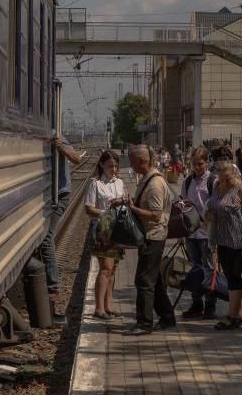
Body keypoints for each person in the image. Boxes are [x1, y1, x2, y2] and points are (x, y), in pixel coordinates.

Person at [121, 145, 175, 335]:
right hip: (149, 236)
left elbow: (156, 214)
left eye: (133, 161)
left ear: (142, 161)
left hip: (154, 237)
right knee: (155, 280)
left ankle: (144, 323)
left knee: (143, 280)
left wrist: (133, 209)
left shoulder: (154, 184)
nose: (131, 164)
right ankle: (167, 317)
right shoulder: (147, 178)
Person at [206, 159, 242, 330]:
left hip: (239, 240)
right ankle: (241, 315)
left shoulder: (241, 188)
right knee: (232, 277)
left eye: (228, 178)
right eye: (222, 178)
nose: (225, 181)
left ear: (233, 173)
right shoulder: (217, 186)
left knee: (234, 277)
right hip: (222, 240)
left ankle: (233, 316)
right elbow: (213, 205)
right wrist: (209, 215)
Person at [40, 135, 83, 321]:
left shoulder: (58, 136)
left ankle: (53, 289)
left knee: (47, 238)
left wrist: (62, 148)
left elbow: (76, 158)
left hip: (60, 195)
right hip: (46, 195)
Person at [84, 150, 127, 320]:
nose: (114, 169)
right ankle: (99, 308)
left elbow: (124, 202)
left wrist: (123, 204)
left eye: (116, 166)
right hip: (103, 229)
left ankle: (109, 305)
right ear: (102, 165)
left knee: (114, 268)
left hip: (119, 229)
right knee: (106, 268)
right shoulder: (95, 184)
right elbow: (88, 209)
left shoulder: (120, 183)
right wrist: (107, 213)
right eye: (110, 166)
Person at [181, 147, 218, 319]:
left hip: (207, 233)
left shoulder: (213, 181)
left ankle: (211, 305)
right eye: (194, 164)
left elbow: (218, 205)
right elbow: (183, 203)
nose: (197, 167)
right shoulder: (188, 181)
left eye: (200, 164)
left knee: (209, 268)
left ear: (207, 162)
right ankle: (197, 303)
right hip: (191, 233)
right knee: (193, 269)